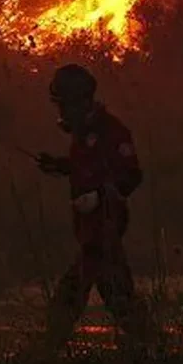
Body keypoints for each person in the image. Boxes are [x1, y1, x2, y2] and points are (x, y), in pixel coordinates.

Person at [33, 63, 149, 349]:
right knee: (120, 300)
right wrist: (59, 166)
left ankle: (45, 357)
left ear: (81, 101)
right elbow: (85, 168)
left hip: (104, 232)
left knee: (69, 300)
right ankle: (150, 353)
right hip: (91, 234)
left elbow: (131, 176)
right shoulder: (83, 136)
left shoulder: (112, 132)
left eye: (65, 106)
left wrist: (100, 195)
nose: (61, 114)